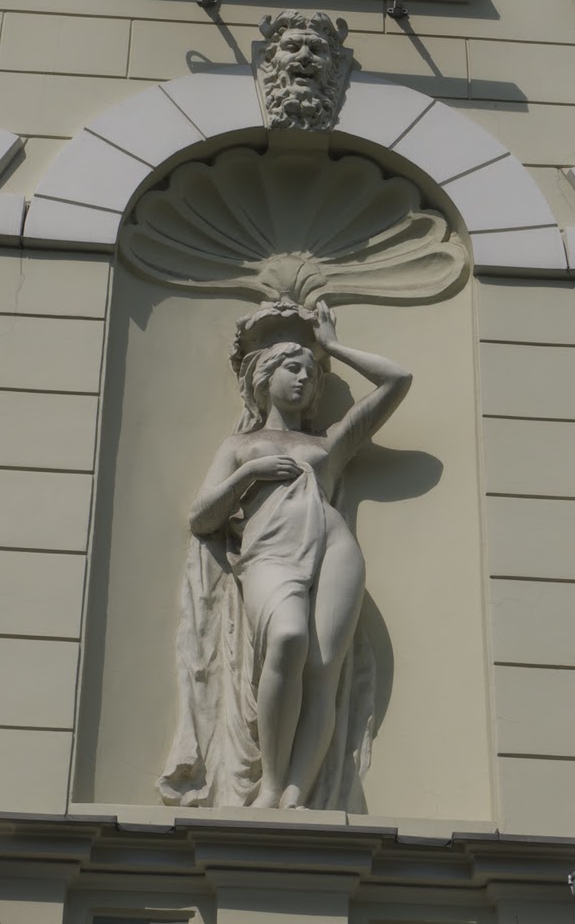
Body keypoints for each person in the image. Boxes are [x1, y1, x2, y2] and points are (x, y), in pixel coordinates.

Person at [158, 299, 412, 810]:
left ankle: (296, 790)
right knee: (289, 636)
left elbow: (397, 380)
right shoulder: (239, 447)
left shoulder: (330, 443)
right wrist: (249, 473)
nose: (304, 380)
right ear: (264, 375)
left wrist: (333, 346)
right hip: (270, 553)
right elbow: (201, 517)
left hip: (335, 549)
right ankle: (271, 785)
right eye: (293, 369)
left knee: (323, 670)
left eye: (311, 375)